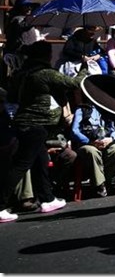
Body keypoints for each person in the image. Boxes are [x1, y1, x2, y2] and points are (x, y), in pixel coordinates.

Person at [0, 40, 81, 222]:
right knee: (21, 165)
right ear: (47, 55)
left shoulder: (21, 73)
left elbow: (12, 96)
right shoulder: (45, 73)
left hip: (25, 123)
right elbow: (74, 83)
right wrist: (83, 67)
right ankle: (0, 205)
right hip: (35, 124)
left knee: (40, 162)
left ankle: (47, 198)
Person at [70, 101, 115, 198]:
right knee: (92, 152)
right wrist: (90, 142)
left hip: (105, 142)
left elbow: (113, 130)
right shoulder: (81, 110)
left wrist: (110, 139)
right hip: (87, 143)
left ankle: (106, 181)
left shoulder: (107, 110)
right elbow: (75, 131)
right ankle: (99, 185)